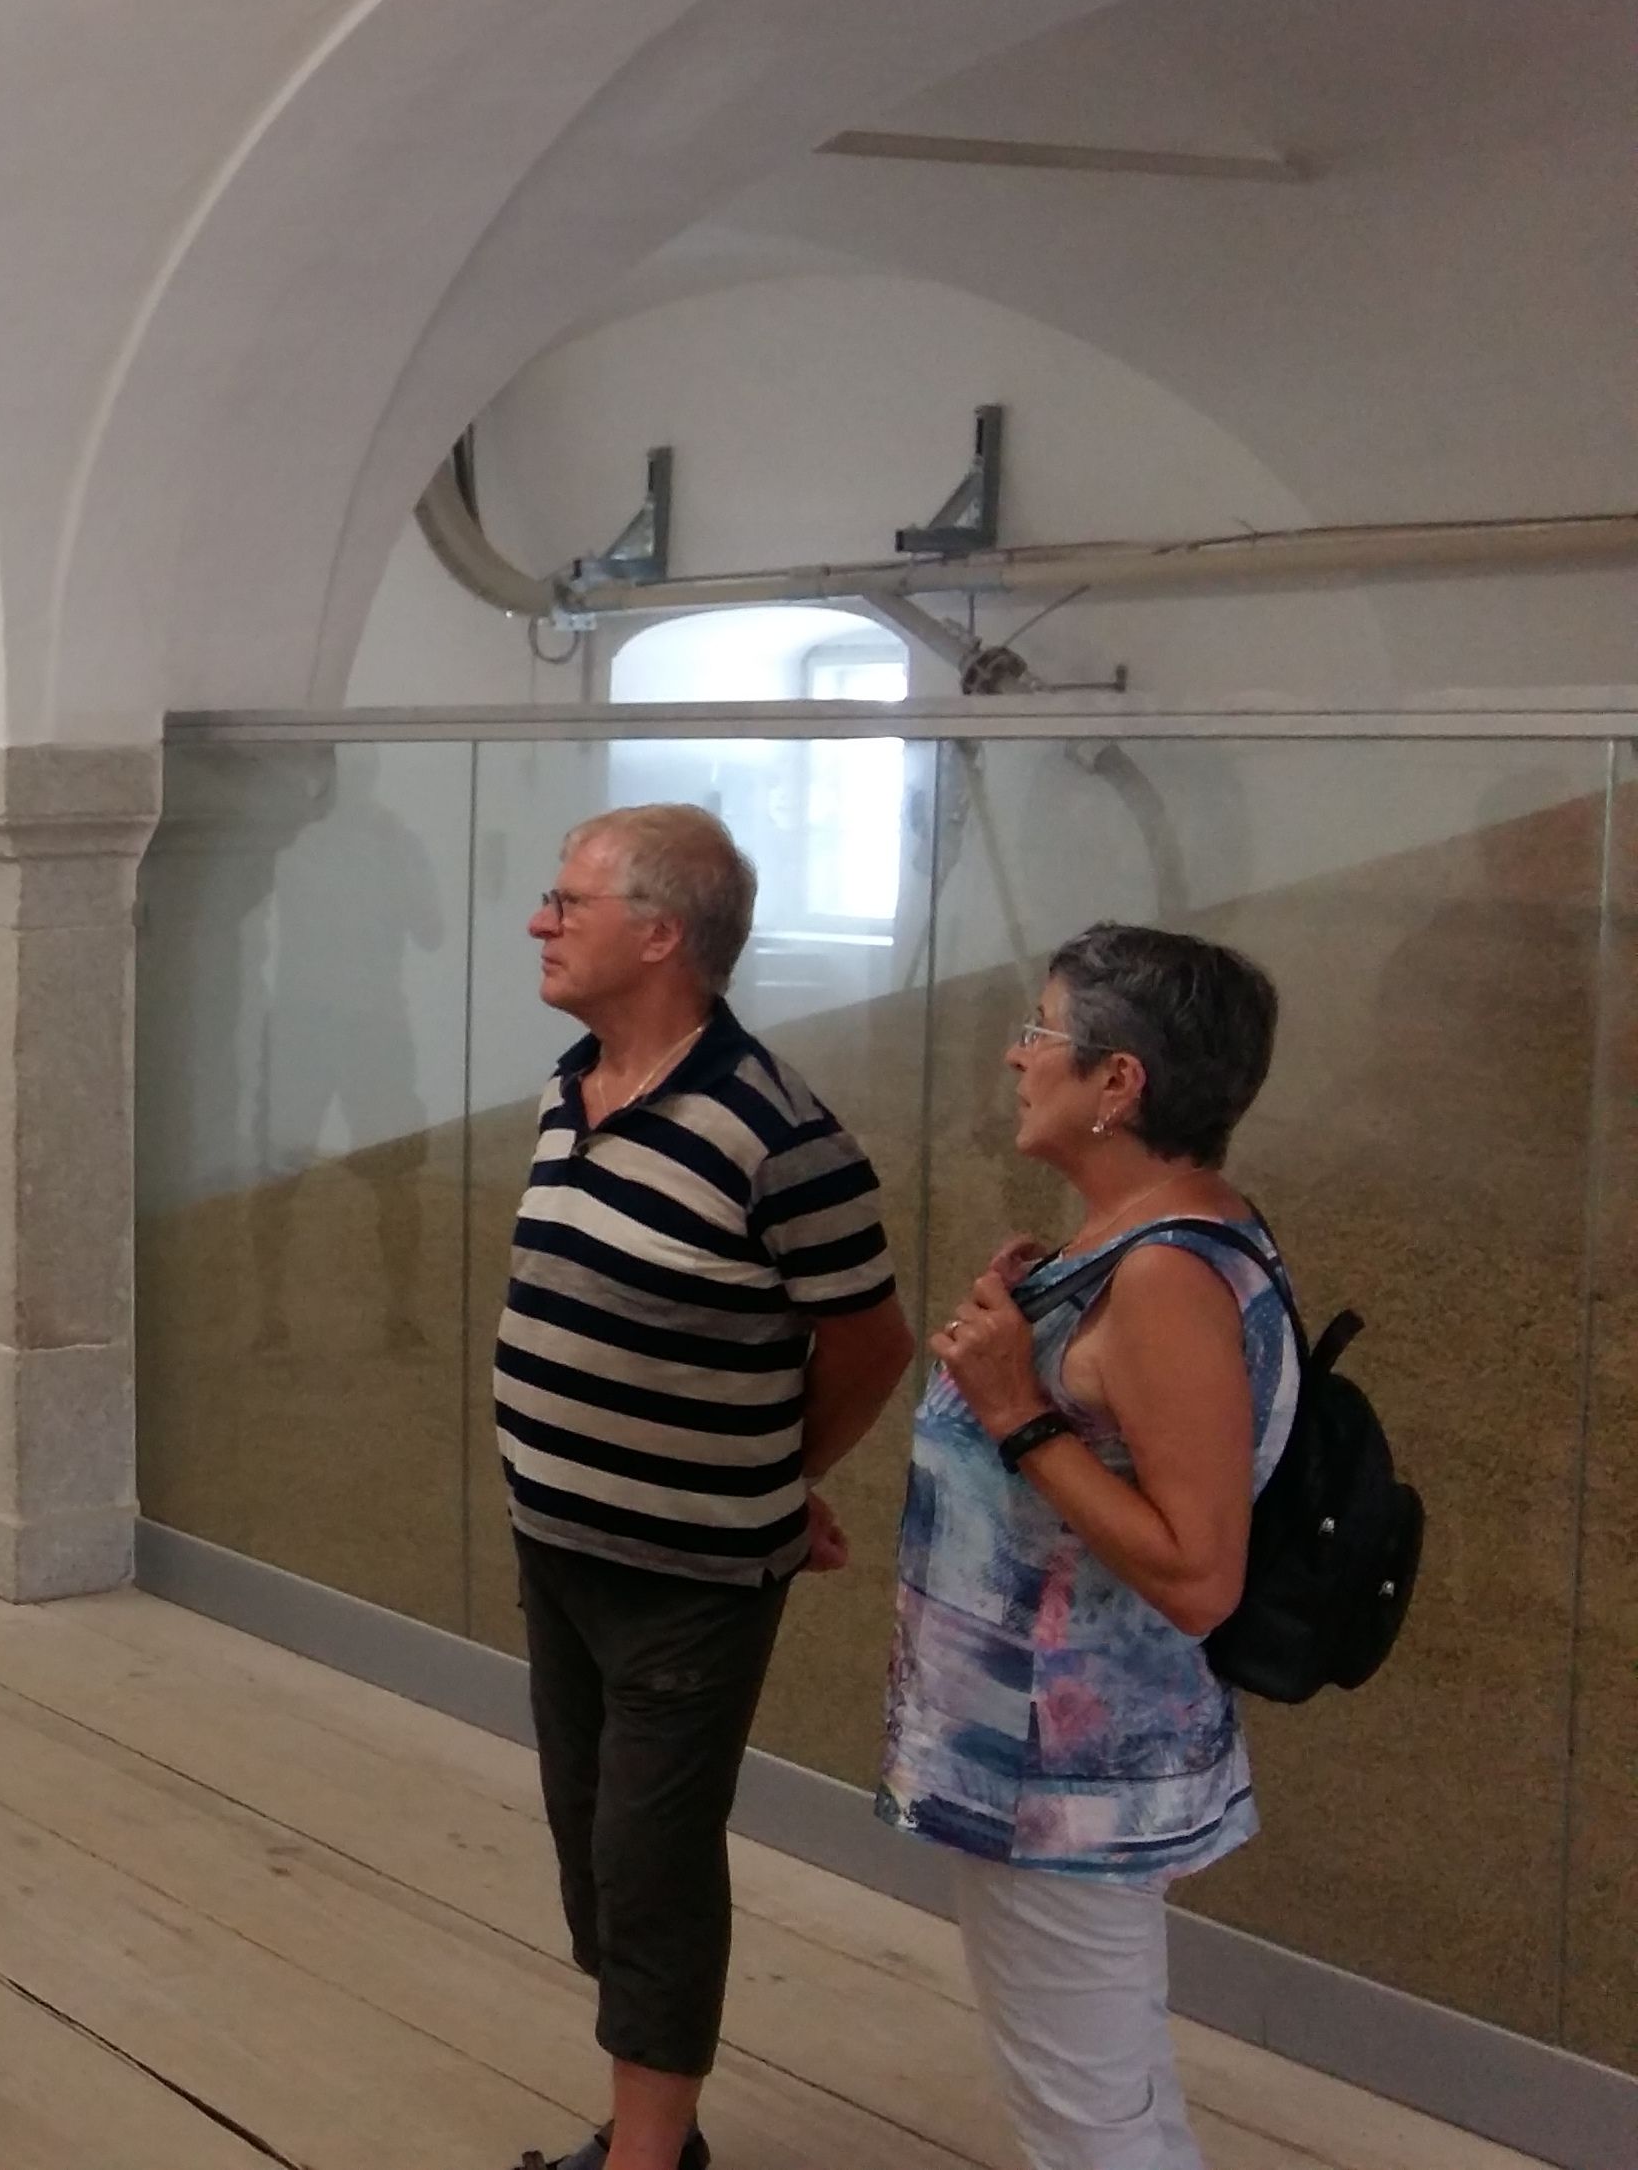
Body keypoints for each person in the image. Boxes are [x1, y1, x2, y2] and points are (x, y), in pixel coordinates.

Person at [497, 805, 918, 2170]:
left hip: (689, 1581)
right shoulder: (571, 1085)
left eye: (568, 903)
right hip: (559, 1548)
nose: (539, 922)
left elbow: (872, 1344)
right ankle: (651, 2130)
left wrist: (778, 1472)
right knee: (595, 1853)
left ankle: (649, 2156)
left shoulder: (778, 1134)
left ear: (660, 934)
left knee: (653, 1865)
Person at [886, 925, 1292, 2169]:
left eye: (1041, 1032)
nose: (1017, 1055)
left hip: (1064, 1779)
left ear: (1119, 1082)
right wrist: (1027, 1338)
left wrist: (1016, 1410)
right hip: (1047, 1766)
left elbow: (1198, 1574)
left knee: (1089, 2131)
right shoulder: (1134, 1240)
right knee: (1111, 2105)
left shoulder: (1166, 1276)